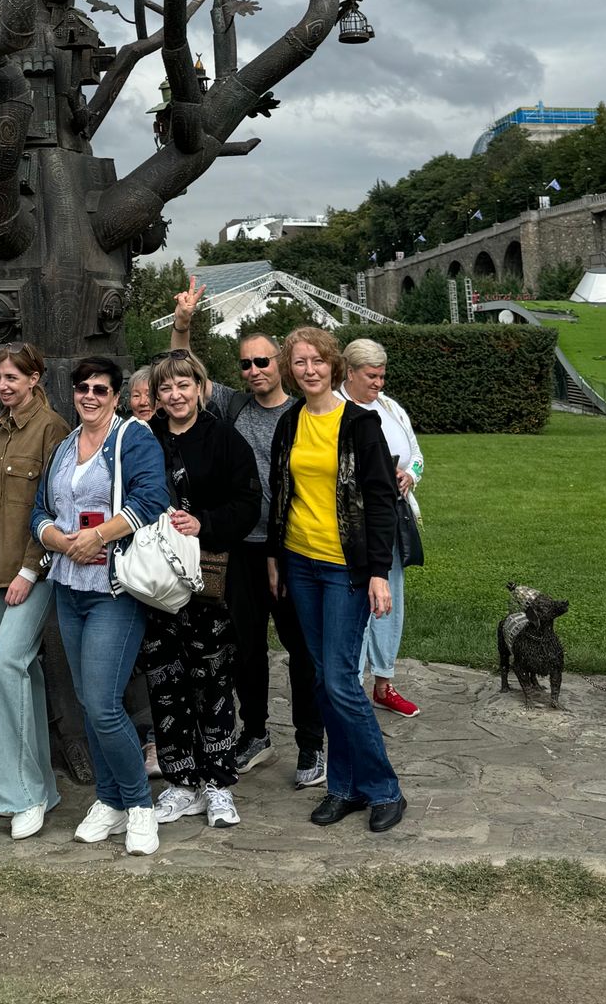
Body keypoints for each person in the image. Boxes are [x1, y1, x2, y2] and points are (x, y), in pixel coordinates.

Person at [266, 327, 405, 833]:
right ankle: (344, 788)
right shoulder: (290, 422)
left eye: (318, 360)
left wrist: (378, 573)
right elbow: (281, 492)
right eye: (299, 361)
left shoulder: (361, 423)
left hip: (346, 568)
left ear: (334, 366)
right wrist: (276, 556)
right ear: (290, 369)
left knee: (341, 683)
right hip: (300, 563)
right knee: (324, 680)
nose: (309, 370)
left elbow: (381, 501)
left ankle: (384, 789)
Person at [32, 353, 170, 857]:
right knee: (89, 701)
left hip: (114, 588)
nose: (89, 396)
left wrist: (98, 536)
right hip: (69, 586)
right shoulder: (65, 446)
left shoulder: (132, 437)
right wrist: (53, 537)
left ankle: (139, 805)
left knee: (104, 703)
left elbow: (152, 499)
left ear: (115, 397)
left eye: (100, 389)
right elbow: (40, 510)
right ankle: (110, 801)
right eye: (82, 388)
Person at [142, 350, 261, 831]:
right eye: (166, 388)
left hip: (210, 579)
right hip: (155, 580)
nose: (175, 395)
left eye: (183, 385)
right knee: (165, 681)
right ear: (156, 395)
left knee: (212, 681)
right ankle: (180, 781)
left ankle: (217, 782)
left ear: (200, 387)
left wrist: (203, 523)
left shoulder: (224, 439)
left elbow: (248, 502)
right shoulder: (143, 438)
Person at [207, 332, 326, 789]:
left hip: (292, 547)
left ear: (280, 362)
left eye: (262, 361)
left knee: (301, 649)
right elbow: (184, 369)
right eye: (246, 364)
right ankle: (255, 732)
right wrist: (183, 322)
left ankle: (311, 741)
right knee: (247, 648)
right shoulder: (234, 408)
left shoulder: (301, 413)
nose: (254, 370)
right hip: (244, 547)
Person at [0, 342, 70, 840]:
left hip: (33, 572)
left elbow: (56, 507)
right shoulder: (0, 428)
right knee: (21, 675)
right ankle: (43, 790)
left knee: (5, 665)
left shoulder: (52, 428)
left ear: (35, 378)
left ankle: (23, 796)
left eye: (12, 377)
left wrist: (30, 571)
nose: (2, 385)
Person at [341, 337, 425, 719]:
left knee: (390, 597)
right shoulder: (334, 408)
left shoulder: (391, 408)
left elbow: (417, 455)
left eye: (382, 376)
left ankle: (384, 683)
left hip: (391, 518)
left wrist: (409, 475)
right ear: (350, 372)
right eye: (371, 376)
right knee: (353, 601)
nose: (379, 383)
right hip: (350, 524)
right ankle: (352, 684)